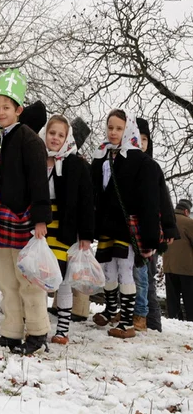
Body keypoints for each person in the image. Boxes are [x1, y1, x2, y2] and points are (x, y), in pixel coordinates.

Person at [0, 68, 52, 355]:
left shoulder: (30, 140)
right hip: (1, 219)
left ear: (18, 109)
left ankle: (37, 332)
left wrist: (41, 219)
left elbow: (38, 183)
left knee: (28, 281)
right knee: (6, 279)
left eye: (6, 107)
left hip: (23, 219)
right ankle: (11, 331)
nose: (0, 112)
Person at [91, 109, 161, 339]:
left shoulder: (138, 160)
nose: (113, 132)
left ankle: (127, 321)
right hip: (105, 225)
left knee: (125, 271)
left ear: (128, 129)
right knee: (107, 269)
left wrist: (151, 234)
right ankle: (111, 309)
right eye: (110, 127)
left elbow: (148, 199)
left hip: (125, 225)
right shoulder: (101, 154)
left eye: (119, 128)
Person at [38, 115, 95, 344]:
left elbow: (86, 202)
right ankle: (39, 324)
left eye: (60, 135)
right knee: (39, 278)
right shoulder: (37, 160)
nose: (55, 138)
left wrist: (86, 235)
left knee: (62, 280)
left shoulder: (76, 164)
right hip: (40, 225)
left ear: (67, 138)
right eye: (52, 133)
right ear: (45, 133)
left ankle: (62, 329)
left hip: (65, 228)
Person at [132, 117, 177, 332]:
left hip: (152, 233)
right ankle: (133, 317)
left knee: (147, 280)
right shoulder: (126, 165)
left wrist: (169, 227)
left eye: (144, 140)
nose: (141, 143)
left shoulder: (153, 167)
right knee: (132, 279)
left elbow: (164, 199)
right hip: (131, 231)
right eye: (137, 138)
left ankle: (154, 324)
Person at [164, 199, 193, 321]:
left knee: (172, 299)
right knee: (190, 299)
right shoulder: (189, 223)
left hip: (168, 266)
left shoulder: (165, 221)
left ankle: (174, 320)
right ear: (186, 211)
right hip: (186, 268)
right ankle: (190, 322)